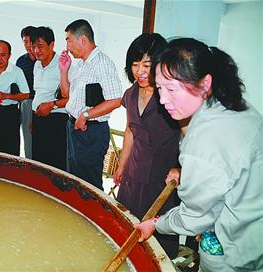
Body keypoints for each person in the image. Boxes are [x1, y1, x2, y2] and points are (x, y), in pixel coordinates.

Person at [135, 37, 263, 271]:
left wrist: (156, 223)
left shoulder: (204, 140)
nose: (163, 100)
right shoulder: (235, 106)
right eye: (160, 88)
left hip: (236, 253)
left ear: (205, 84)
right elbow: (227, 170)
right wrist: (186, 172)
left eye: (171, 89)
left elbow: (195, 217)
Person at [112, 33, 181, 258]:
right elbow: (130, 129)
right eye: (134, 64)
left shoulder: (171, 97)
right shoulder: (131, 94)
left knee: (156, 243)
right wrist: (122, 165)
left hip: (161, 180)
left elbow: (189, 137)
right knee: (126, 229)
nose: (140, 71)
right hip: (133, 175)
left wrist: (181, 168)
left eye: (147, 65)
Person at [59, 19, 122, 190]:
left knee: (89, 185)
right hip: (74, 128)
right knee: (73, 179)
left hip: (91, 132)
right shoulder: (80, 64)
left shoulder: (102, 63)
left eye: (69, 40)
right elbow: (66, 94)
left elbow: (116, 100)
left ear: (83, 40)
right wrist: (63, 70)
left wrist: (85, 115)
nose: (67, 47)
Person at [31, 26, 68, 171]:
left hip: (56, 120)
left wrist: (51, 105)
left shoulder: (63, 65)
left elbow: (72, 97)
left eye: (40, 46)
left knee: (55, 165)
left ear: (52, 44)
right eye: (33, 47)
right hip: (38, 118)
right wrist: (32, 118)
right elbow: (38, 93)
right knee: (39, 163)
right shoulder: (36, 65)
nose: (36, 50)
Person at [16, 26, 37, 159]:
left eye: (31, 41)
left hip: (46, 104)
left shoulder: (44, 59)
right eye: (25, 42)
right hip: (27, 103)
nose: (28, 45)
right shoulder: (21, 62)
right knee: (28, 139)